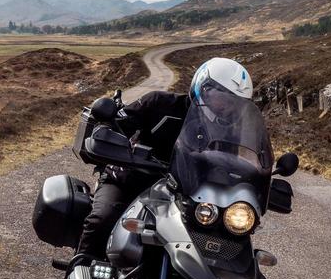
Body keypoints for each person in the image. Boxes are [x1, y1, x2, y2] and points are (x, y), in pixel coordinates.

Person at [77, 57, 253, 258]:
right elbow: (117, 124)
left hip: (184, 196)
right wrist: (108, 134)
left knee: (217, 240)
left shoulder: (229, 130)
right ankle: (79, 271)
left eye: (234, 102)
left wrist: (253, 180)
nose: (226, 106)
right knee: (102, 219)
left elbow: (233, 163)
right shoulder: (160, 104)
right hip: (129, 181)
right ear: (203, 87)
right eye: (222, 97)